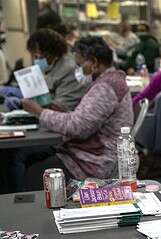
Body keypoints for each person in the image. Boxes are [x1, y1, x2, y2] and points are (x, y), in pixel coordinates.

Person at [16, 36, 133, 190]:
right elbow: (85, 119)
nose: (77, 70)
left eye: (80, 65)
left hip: (95, 161)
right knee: (26, 157)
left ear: (94, 63)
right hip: (93, 153)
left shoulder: (105, 88)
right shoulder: (110, 81)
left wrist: (38, 111)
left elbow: (77, 127)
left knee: (31, 175)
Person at [0, 29, 86, 111]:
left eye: (38, 56)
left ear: (50, 53)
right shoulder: (54, 65)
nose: (36, 60)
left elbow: (62, 108)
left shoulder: (69, 70)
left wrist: (23, 103)